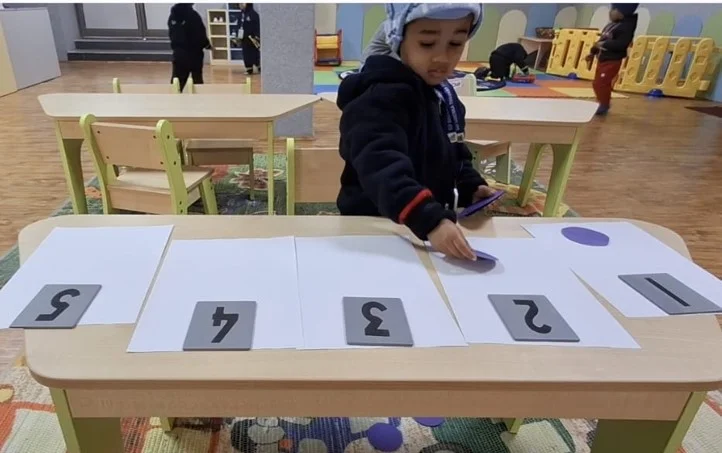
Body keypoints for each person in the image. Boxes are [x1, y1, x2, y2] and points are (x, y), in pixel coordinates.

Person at [336, 3, 495, 261]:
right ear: (398, 38)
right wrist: (428, 218)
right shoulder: (378, 99)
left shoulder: (443, 95)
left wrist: (470, 184)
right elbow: (381, 166)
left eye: (455, 43)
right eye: (427, 43)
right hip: (374, 230)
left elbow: (453, 149)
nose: (442, 58)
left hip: (423, 229)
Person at [586, 3, 639, 115]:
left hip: (612, 61)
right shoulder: (610, 26)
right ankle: (602, 102)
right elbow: (600, 41)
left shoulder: (626, 27)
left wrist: (604, 44)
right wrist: (592, 52)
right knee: (597, 83)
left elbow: (622, 44)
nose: (610, 12)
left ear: (622, 13)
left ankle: (604, 104)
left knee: (601, 83)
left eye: (614, 10)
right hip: (602, 59)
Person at [168, 3, 211, 91]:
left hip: (179, 53)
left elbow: (171, 34)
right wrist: (207, 45)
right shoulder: (193, 15)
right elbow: (200, 34)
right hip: (194, 53)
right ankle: (198, 98)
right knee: (197, 79)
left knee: (177, 81)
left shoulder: (172, 16)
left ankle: (175, 97)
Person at [240, 3, 260, 74]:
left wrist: (256, 37)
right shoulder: (241, 14)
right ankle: (249, 69)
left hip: (252, 39)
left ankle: (259, 67)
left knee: (255, 54)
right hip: (244, 38)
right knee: (246, 54)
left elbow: (257, 26)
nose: (240, 4)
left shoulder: (254, 14)